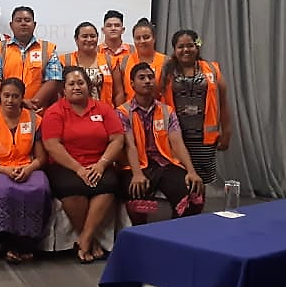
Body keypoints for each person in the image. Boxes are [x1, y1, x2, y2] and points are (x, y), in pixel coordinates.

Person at [42, 66, 124, 264]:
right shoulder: (55, 112)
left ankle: (85, 239)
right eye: (71, 84)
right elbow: (52, 146)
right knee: (71, 187)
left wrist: (102, 164)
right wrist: (78, 169)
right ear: (63, 89)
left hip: (99, 164)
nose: (76, 87)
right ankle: (90, 240)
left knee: (108, 184)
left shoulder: (103, 109)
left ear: (88, 86)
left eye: (81, 83)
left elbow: (117, 139)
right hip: (66, 166)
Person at [0, 78, 51, 264]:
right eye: (6, 95)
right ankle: (9, 244)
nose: (10, 100)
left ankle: (28, 243)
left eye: (15, 96)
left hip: (27, 167)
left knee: (40, 188)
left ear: (22, 98)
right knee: (2, 191)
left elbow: (41, 158)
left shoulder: (35, 120)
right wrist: (6, 171)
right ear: (0, 96)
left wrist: (29, 168)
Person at [118, 62, 204, 225]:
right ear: (132, 84)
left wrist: (191, 171)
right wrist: (137, 174)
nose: (147, 81)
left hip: (165, 164)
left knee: (194, 193)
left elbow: (177, 143)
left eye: (150, 77)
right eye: (141, 78)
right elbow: (130, 145)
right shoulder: (122, 112)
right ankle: (143, 239)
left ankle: (174, 235)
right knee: (137, 196)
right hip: (136, 166)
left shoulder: (167, 111)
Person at [158, 29, 232, 184]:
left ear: (197, 47)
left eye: (190, 45)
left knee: (202, 185)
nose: (185, 50)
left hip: (204, 142)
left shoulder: (212, 69)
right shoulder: (166, 72)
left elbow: (223, 103)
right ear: (174, 49)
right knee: (179, 183)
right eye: (180, 46)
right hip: (176, 140)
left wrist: (227, 132)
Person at [0, 6, 62, 113]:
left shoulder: (47, 49)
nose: (23, 23)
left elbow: (54, 80)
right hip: (3, 112)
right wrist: (20, 101)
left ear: (34, 25)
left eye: (27, 20)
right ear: (11, 25)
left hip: (37, 111)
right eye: (18, 20)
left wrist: (33, 104)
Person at [112, 18, 168, 106]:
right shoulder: (124, 61)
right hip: (130, 114)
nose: (142, 41)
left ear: (154, 38)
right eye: (138, 38)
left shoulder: (166, 61)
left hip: (158, 114)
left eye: (146, 37)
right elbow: (119, 93)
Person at [59, 22, 115, 106]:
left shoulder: (109, 61)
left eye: (92, 36)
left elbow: (118, 92)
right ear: (76, 39)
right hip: (72, 113)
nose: (89, 40)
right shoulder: (64, 61)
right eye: (84, 36)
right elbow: (58, 92)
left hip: (103, 113)